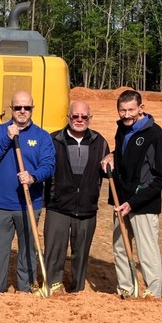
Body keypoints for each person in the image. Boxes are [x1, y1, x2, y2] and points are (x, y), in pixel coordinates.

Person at [0, 91, 55, 293]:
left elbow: (48, 166)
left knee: (28, 251)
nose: (22, 111)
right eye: (18, 107)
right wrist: (7, 138)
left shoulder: (42, 136)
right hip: (1, 205)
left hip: (30, 203)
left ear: (32, 109)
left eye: (27, 108)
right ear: (11, 109)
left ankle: (25, 288)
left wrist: (33, 177)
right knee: (0, 250)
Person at [102, 89, 162, 299]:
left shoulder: (156, 136)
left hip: (143, 204)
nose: (127, 115)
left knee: (147, 251)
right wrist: (111, 156)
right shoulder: (121, 130)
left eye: (131, 110)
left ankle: (152, 293)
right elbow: (125, 158)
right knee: (120, 247)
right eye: (122, 110)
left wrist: (134, 202)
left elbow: (161, 178)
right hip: (120, 201)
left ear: (141, 108)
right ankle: (127, 289)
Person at [43, 101, 109, 294]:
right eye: (75, 116)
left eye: (84, 117)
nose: (79, 120)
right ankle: (53, 285)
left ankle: (77, 289)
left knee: (81, 253)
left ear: (90, 118)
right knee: (54, 251)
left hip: (87, 208)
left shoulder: (100, 141)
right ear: (68, 117)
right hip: (58, 206)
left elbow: (107, 170)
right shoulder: (53, 139)